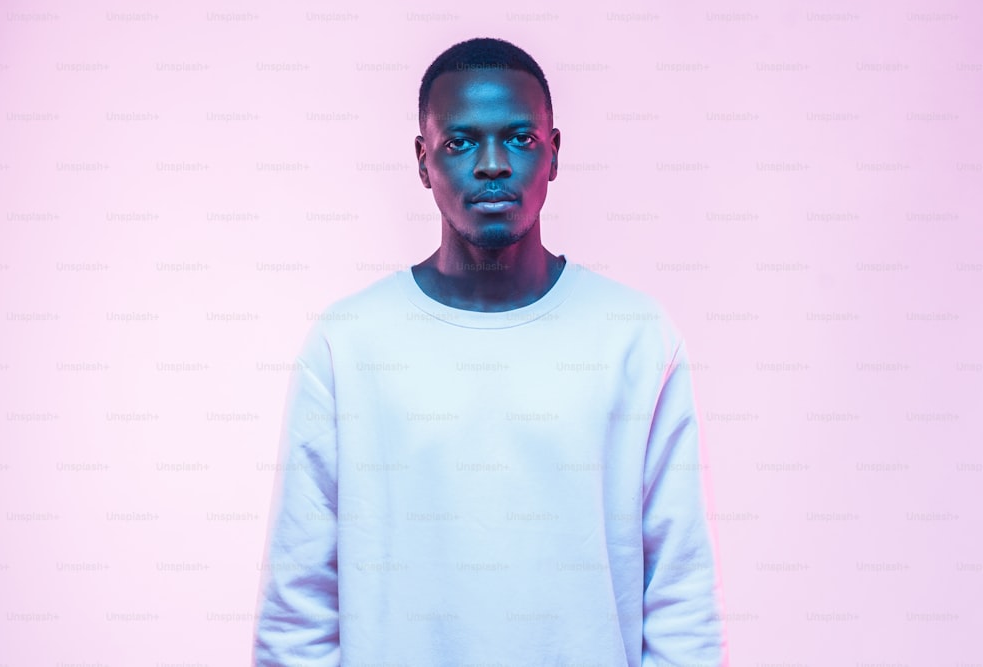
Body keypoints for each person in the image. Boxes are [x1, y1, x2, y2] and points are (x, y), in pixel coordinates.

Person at [253, 36, 729, 667]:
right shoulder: (349, 343)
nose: (493, 164)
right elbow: (298, 605)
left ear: (554, 154)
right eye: (461, 142)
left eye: (519, 139)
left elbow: (681, 594)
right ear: (423, 162)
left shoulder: (634, 336)